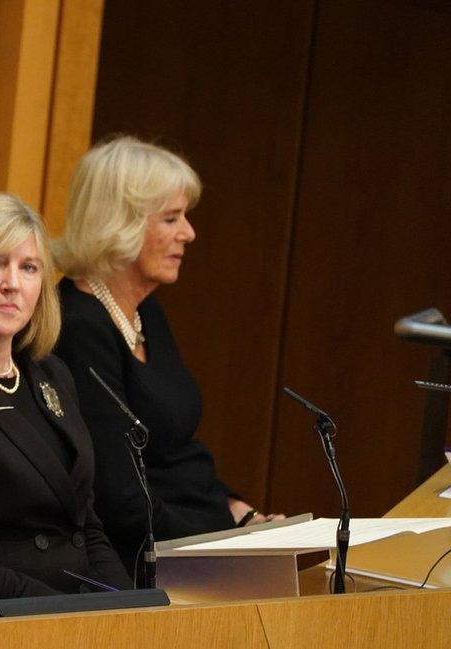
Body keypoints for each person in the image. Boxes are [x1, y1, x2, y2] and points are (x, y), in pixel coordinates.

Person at [53, 135, 281, 570]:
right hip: (144, 560)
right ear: (120, 222)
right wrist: (226, 543)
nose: (189, 233)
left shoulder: (145, 311)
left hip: (199, 533)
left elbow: (174, 450)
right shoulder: (79, 326)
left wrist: (239, 511)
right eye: (172, 218)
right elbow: (120, 499)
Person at [0, 193, 132, 599]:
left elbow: (85, 522)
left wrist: (125, 604)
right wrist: (75, 620)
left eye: (29, 268)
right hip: (6, 613)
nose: (12, 284)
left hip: (79, 606)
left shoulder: (51, 374)